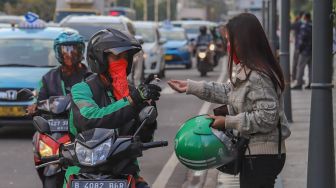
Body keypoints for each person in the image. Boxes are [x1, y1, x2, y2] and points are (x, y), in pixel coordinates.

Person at [168, 13, 291, 188]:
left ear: (244, 42)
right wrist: (191, 87)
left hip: (262, 156)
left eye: (230, 41)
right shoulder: (249, 69)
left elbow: (267, 117)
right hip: (256, 154)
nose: (227, 46)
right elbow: (231, 93)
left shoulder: (258, 75)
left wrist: (227, 122)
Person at [64, 28, 161, 188]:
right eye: (116, 57)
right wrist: (133, 100)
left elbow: (143, 138)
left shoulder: (130, 92)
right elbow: (90, 119)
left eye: (125, 57)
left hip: (124, 171)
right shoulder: (81, 89)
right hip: (83, 169)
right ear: (100, 59)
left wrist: (148, 111)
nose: (122, 62)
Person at [27, 31, 88, 184]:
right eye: (64, 50)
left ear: (81, 51)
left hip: (83, 128)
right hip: (55, 130)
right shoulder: (48, 77)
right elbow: (39, 99)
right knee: (39, 144)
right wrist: (34, 107)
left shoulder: (90, 76)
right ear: (58, 52)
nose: (69, 54)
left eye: (74, 49)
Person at [292, 12, 312, 90]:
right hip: (312, 51)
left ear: (305, 17)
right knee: (311, 68)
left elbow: (302, 39)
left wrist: (298, 49)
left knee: (300, 67)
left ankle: (299, 83)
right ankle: (311, 83)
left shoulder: (305, 26)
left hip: (304, 51)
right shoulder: (313, 25)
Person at [291, 11, 304, 81]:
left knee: (296, 63)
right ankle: (298, 78)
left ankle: (294, 78)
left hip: (298, 46)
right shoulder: (306, 23)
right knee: (300, 64)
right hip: (304, 47)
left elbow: (291, 26)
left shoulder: (298, 23)